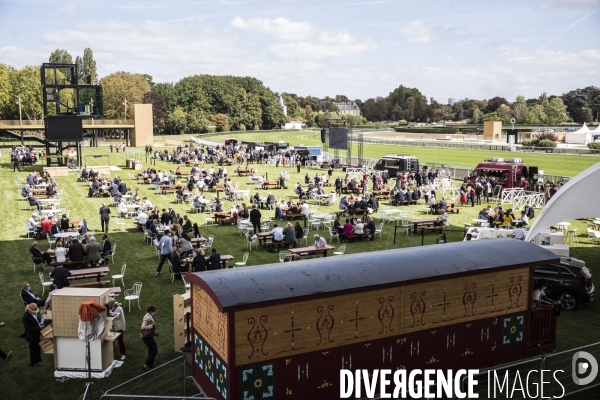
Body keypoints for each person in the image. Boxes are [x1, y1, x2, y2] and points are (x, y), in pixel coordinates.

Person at [22, 303, 43, 367]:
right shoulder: (26, 317)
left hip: (36, 334)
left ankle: (38, 358)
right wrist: (40, 327)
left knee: (38, 347)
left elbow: (36, 320)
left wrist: (42, 320)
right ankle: (33, 363)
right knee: (33, 349)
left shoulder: (33, 314)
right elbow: (30, 328)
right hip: (31, 336)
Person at [141, 305, 158, 371]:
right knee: (154, 350)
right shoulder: (147, 318)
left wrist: (155, 332)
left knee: (151, 350)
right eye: (153, 311)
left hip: (148, 336)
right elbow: (142, 327)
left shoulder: (149, 317)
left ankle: (150, 363)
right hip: (146, 337)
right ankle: (146, 365)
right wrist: (151, 326)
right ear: (151, 311)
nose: (154, 312)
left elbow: (152, 327)